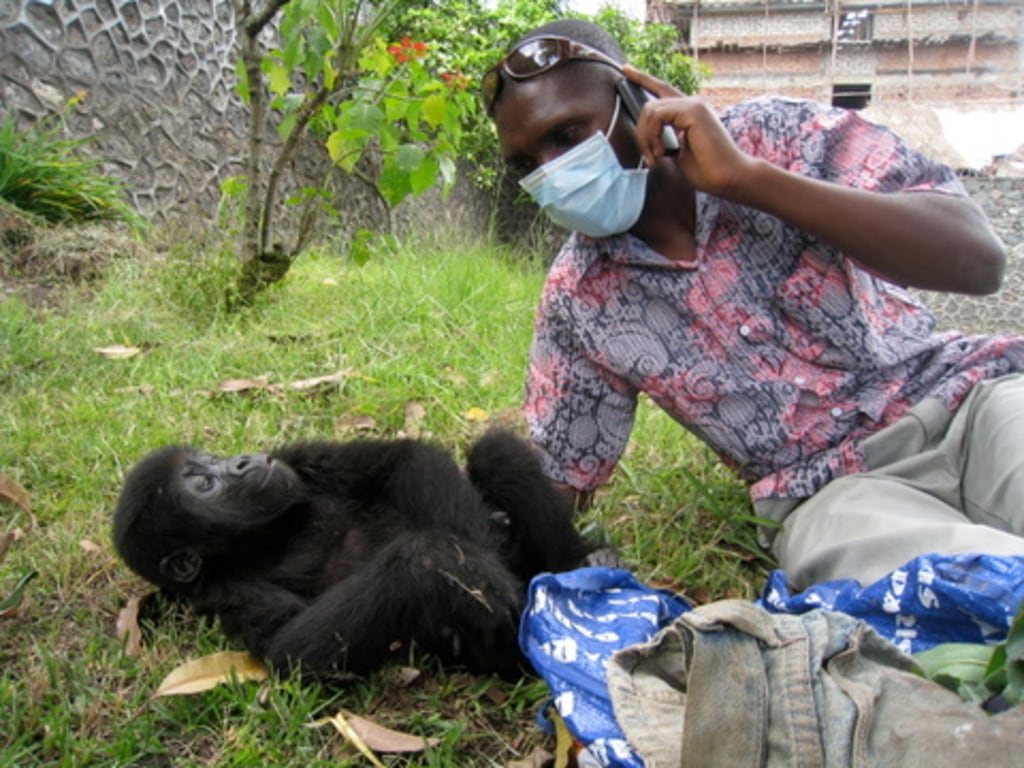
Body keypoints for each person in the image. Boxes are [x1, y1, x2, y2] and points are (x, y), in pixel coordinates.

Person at [481, 18, 1024, 590]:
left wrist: (746, 180)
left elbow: (978, 261)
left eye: (567, 135)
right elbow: (558, 482)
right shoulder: (580, 298)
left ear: (635, 102)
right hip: (835, 492)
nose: (551, 172)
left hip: (970, 404)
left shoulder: (782, 135)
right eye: (527, 164)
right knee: (957, 592)